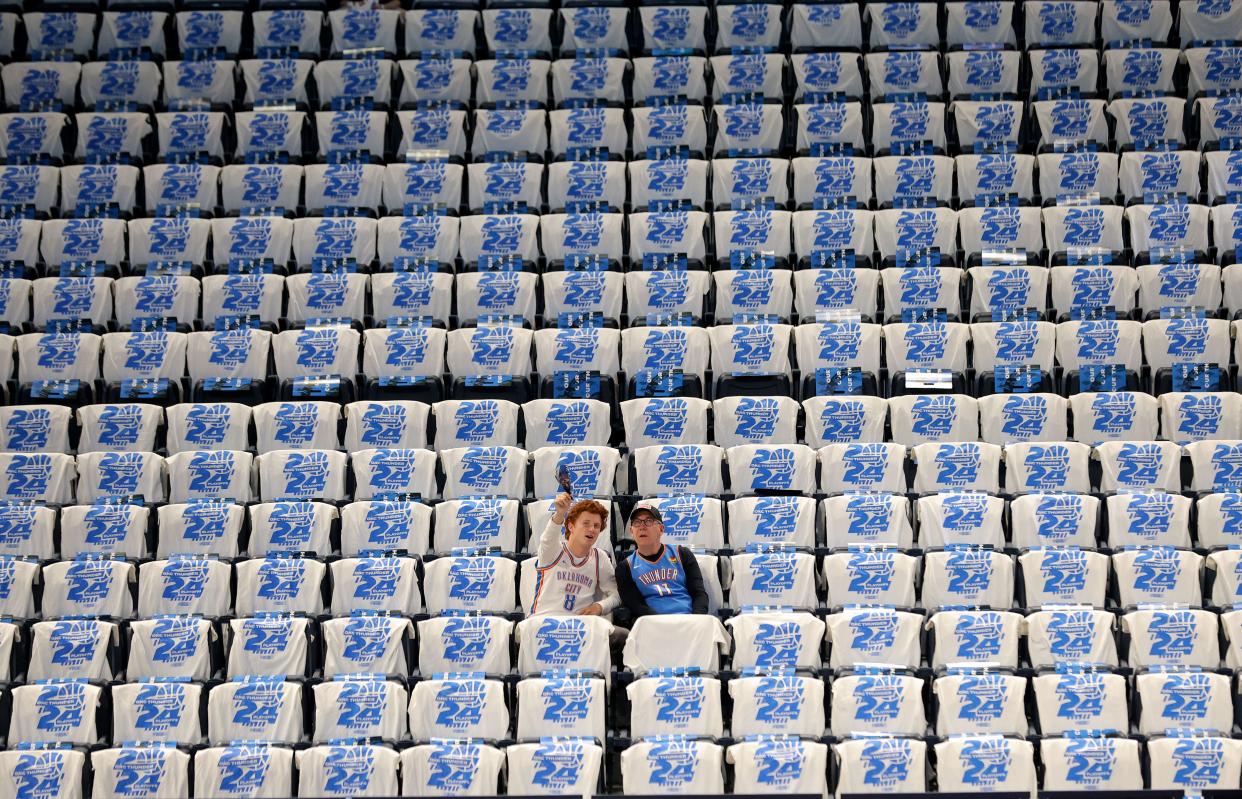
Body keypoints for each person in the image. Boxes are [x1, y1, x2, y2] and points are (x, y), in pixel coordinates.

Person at [531, 492, 621, 616]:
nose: (591, 529)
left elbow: (617, 595)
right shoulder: (553, 550)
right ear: (571, 526)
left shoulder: (600, 557)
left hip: (579, 627)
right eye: (586, 523)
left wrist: (600, 606)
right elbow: (547, 539)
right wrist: (560, 514)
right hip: (543, 622)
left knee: (623, 634)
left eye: (596, 526)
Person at [616, 501, 709, 617]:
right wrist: (661, 623)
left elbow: (699, 594)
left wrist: (696, 619)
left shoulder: (682, 554)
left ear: (661, 529)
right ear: (631, 532)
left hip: (689, 618)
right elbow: (635, 605)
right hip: (653, 624)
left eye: (649, 521)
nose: (642, 526)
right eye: (636, 522)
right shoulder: (625, 567)